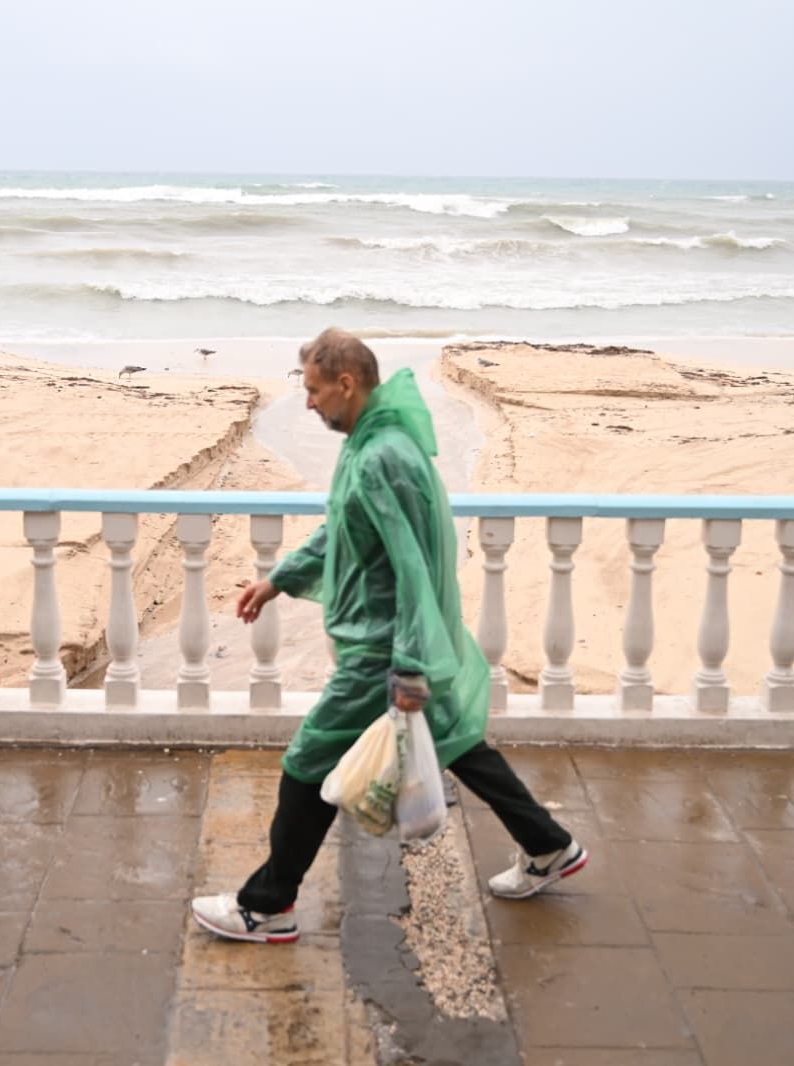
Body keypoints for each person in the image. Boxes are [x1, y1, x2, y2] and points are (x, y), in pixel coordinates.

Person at [191, 328, 586, 944]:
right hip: (388, 641)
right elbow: (345, 530)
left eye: (316, 390)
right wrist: (279, 580)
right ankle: (548, 845)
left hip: (382, 646)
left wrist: (407, 667)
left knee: (306, 764)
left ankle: (268, 906)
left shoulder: (382, 458)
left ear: (347, 384)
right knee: (457, 742)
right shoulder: (371, 443)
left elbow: (414, 567)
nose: (309, 403)